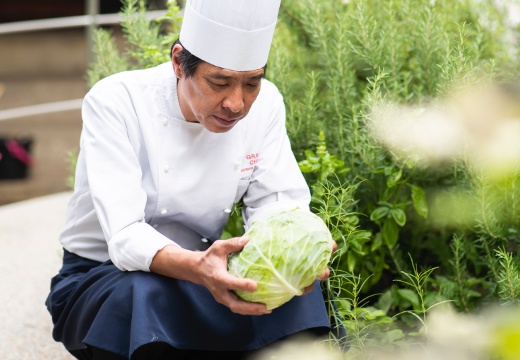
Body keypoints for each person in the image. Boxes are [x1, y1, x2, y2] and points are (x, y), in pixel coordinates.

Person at [45, 0, 341, 359]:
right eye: (219, 82)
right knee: (142, 292)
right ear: (177, 62)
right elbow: (124, 236)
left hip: (207, 269)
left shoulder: (266, 106)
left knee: (299, 297)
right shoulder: (116, 102)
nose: (236, 103)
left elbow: (278, 203)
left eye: (252, 83)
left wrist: (295, 246)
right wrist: (199, 269)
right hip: (103, 276)